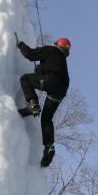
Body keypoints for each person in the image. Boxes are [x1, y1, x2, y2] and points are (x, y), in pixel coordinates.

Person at [17, 37, 71, 167]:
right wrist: (40, 69)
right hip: (61, 90)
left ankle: (32, 105)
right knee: (47, 118)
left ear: (57, 44)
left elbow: (30, 55)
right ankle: (49, 146)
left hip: (51, 81)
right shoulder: (62, 60)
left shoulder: (51, 50)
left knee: (25, 79)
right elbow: (50, 68)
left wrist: (21, 45)